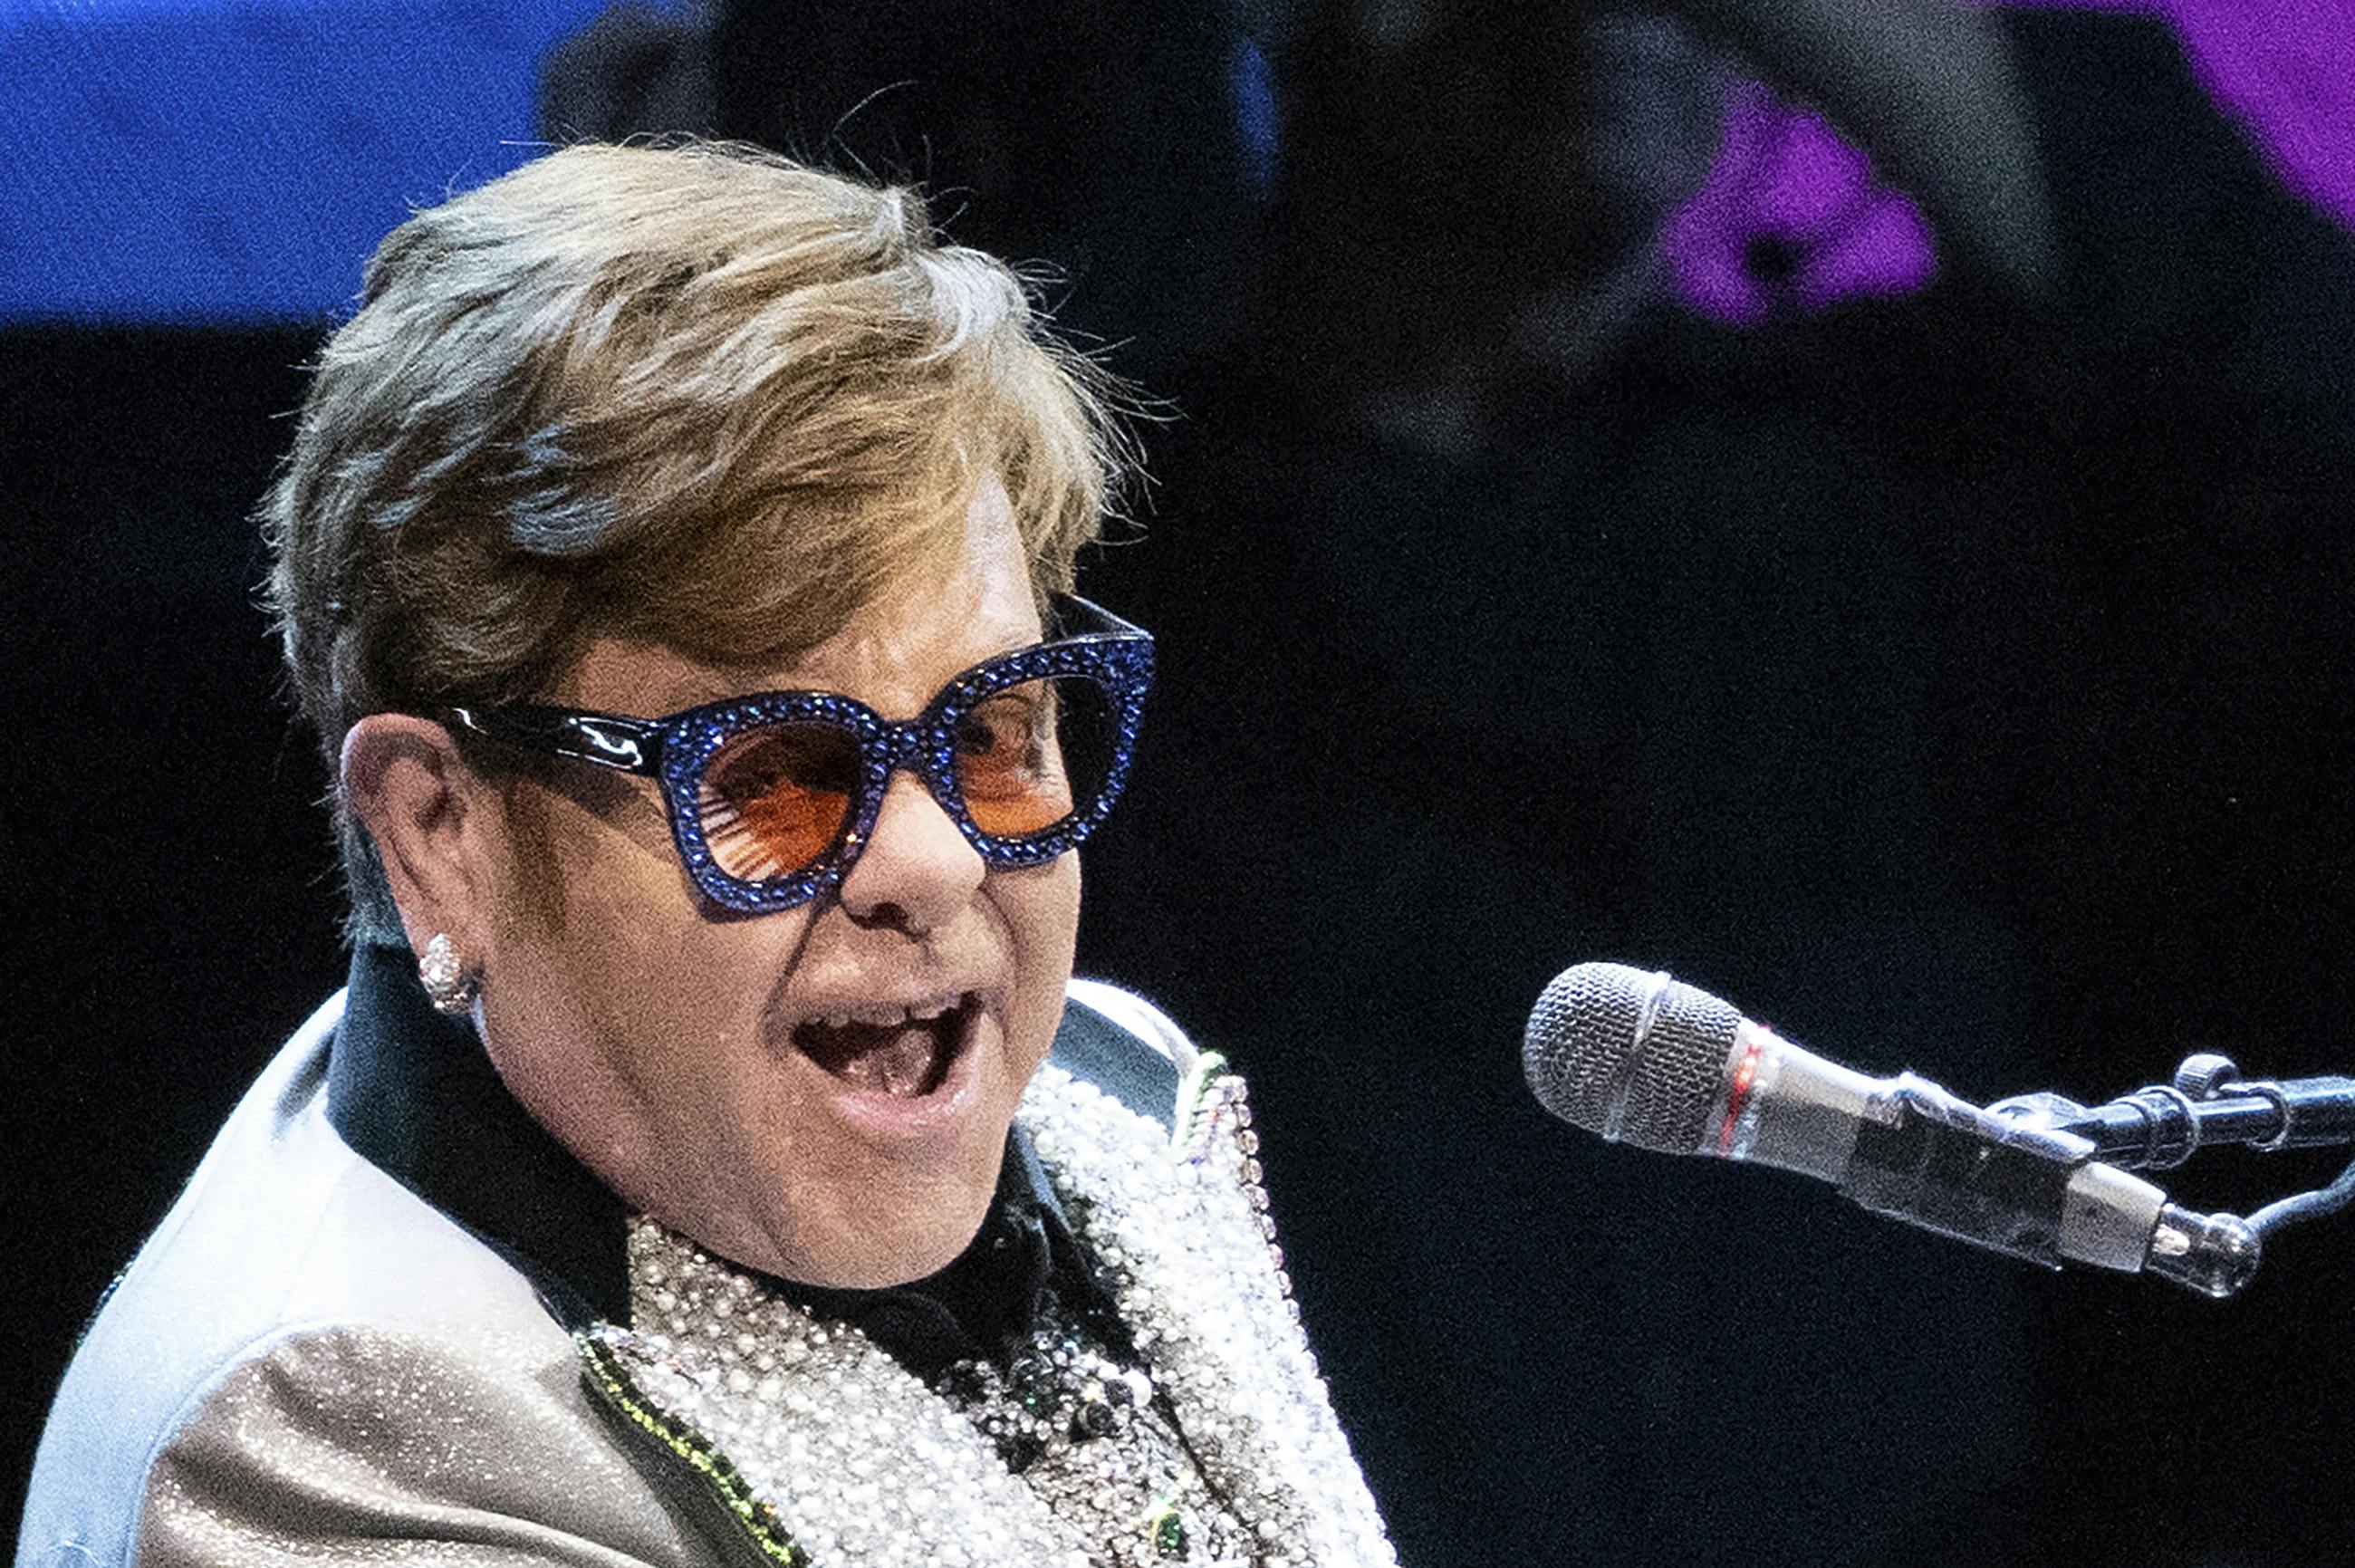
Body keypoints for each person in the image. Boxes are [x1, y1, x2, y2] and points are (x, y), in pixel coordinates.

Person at [16, 141, 1395, 1568]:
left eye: (992, 730)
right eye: (778, 773)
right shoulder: (335, 1445)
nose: (928, 864)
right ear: (439, 834)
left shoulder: (1121, 1102)